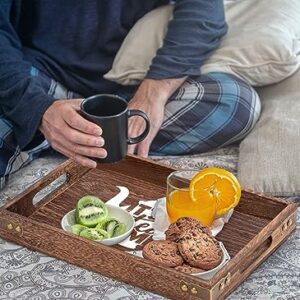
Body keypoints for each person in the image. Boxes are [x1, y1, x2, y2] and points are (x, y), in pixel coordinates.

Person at [0, 0, 261, 190]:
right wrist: (39, 110)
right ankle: (55, 132)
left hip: (129, 94)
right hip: (39, 81)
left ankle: (67, 138)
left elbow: (205, 13)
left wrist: (153, 93)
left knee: (236, 102)